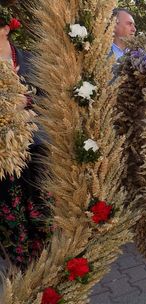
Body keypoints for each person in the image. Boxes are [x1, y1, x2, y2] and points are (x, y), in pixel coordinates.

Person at [0, 7, 50, 269]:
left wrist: (26, 101)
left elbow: (48, 96)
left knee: (42, 203)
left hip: (36, 143)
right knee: (13, 212)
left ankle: (49, 262)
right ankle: (23, 268)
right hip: (5, 155)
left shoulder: (29, 59)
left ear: (7, 28)